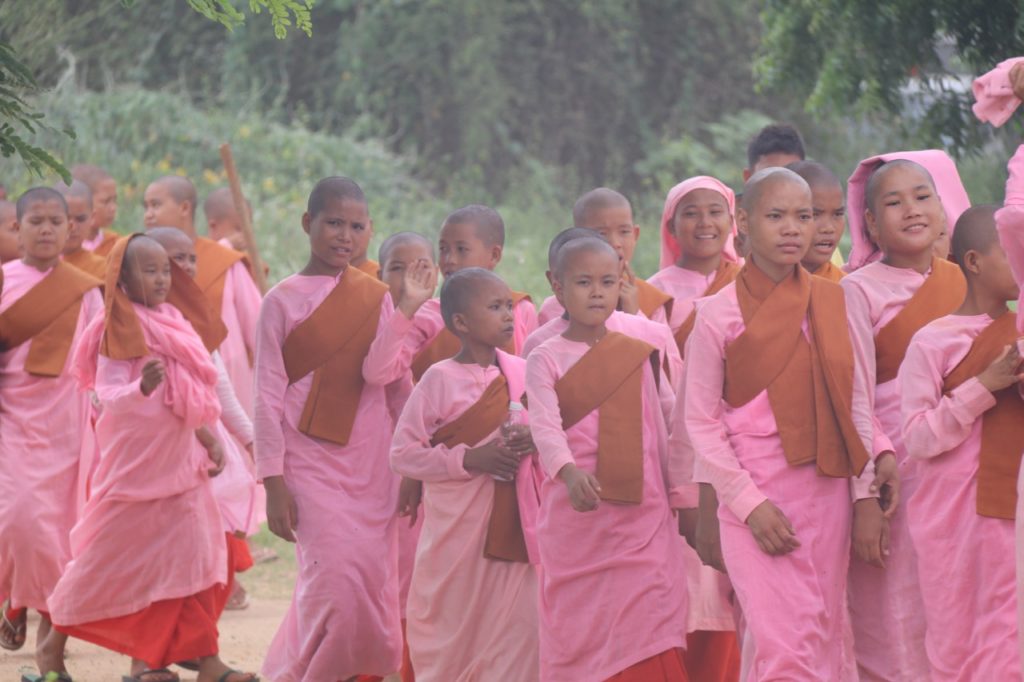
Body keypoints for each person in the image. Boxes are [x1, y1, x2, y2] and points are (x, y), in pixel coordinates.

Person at [684, 168, 895, 679]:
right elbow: (700, 423)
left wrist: (866, 491)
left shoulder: (838, 301)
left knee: (822, 634)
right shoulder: (716, 315)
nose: (793, 229)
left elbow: (858, 406)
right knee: (780, 645)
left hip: (826, 496)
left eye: (803, 216)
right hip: (752, 498)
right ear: (744, 222)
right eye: (775, 216)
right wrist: (749, 506)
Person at [42, 234, 257, 682]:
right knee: (109, 559)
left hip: (183, 463)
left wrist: (208, 437)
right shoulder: (113, 325)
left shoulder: (175, 320)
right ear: (121, 278)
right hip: (135, 470)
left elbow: (184, 393)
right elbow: (106, 394)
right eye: (150, 270)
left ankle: (198, 663)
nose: (162, 279)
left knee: (197, 560)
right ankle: (52, 644)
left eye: (166, 271)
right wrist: (140, 389)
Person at [254, 177, 436, 681]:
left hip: (372, 465)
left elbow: (392, 380)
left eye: (357, 226)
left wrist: (416, 461)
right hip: (309, 466)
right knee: (333, 590)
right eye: (333, 223)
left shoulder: (376, 297)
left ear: (369, 232)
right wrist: (273, 481)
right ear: (308, 223)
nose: (344, 236)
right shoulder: (281, 301)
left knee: (370, 595)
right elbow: (266, 396)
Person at [526, 236, 688, 681]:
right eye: (583, 282)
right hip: (578, 519)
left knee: (650, 618)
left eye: (607, 281)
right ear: (556, 287)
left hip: (645, 517)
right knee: (583, 630)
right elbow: (544, 426)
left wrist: (689, 489)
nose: (597, 292)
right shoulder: (544, 356)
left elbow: (673, 416)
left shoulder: (641, 343)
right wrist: (567, 471)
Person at [841, 154, 969, 680]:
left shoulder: (970, 279)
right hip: (896, 477)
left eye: (922, 197)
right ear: (871, 224)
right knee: (894, 615)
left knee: (961, 608)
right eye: (893, 203)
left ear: (943, 209)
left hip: (965, 473)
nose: (912, 211)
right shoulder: (857, 290)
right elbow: (853, 398)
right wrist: (865, 494)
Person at [390, 267, 541, 681]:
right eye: (495, 308)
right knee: (449, 631)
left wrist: (530, 440)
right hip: (455, 536)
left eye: (509, 306)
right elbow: (403, 455)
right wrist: (470, 460)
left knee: (518, 632)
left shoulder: (522, 372)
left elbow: (550, 434)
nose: (509, 315)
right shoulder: (438, 379)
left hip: (511, 531)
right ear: (461, 322)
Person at [898, 205, 1023, 679]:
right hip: (951, 520)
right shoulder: (932, 342)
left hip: (1010, 510)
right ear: (973, 261)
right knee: (954, 644)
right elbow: (917, 438)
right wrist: (982, 388)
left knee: (1010, 640)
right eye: (1012, 255)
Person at [0, 188, 102, 665]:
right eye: (35, 221)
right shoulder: (3, 281)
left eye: (54, 221)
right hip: (13, 423)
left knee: (59, 529)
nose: (45, 229)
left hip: (69, 426)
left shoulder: (85, 288)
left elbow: (103, 358)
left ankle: (42, 616)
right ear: (16, 229)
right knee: (20, 520)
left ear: (69, 229)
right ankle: (19, 599)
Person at [148, 226, 261, 614]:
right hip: (156, 454)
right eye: (172, 259)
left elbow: (220, 388)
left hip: (208, 456)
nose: (185, 267)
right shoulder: (131, 320)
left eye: (190, 258)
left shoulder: (196, 318)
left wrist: (249, 440)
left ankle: (198, 643)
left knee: (215, 546)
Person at [143, 175, 261, 417]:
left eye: (156, 205)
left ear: (185, 208)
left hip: (228, 375)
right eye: (146, 207)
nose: (148, 215)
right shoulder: (140, 263)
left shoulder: (224, 261)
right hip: (162, 385)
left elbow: (258, 329)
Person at [376, 230, 438, 682]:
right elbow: (380, 370)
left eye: (419, 267)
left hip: (434, 466)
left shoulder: (446, 317)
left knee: (419, 572)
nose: (407, 277)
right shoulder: (376, 319)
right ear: (379, 275)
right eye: (396, 267)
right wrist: (404, 312)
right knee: (387, 574)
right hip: (374, 461)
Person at [405, 205, 536, 382]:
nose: (449, 260)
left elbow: (530, 378)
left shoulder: (521, 309)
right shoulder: (429, 313)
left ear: (494, 255)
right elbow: (391, 373)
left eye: (462, 249)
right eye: (443, 249)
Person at [650, 176, 742, 356]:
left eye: (715, 212)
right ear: (671, 227)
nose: (705, 223)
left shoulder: (747, 283)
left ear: (731, 223)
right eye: (691, 214)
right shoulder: (655, 292)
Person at [569, 188, 674, 324]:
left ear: (635, 235)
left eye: (624, 232)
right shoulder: (560, 304)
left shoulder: (650, 299)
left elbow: (663, 345)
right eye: (602, 233)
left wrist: (634, 315)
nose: (615, 243)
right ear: (577, 238)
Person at [786, 160, 847, 281]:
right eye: (814, 215)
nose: (828, 228)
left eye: (838, 214)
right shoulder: (753, 283)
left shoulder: (847, 288)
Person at [55, 180, 107, 279]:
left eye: (80, 219)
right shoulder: (35, 266)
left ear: (92, 218)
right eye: (65, 218)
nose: (72, 227)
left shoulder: (103, 269)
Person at [70, 164, 120, 255]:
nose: (113, 208)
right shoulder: (65, 247)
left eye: (114, 200)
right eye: (106, 201)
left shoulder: (116, 244)